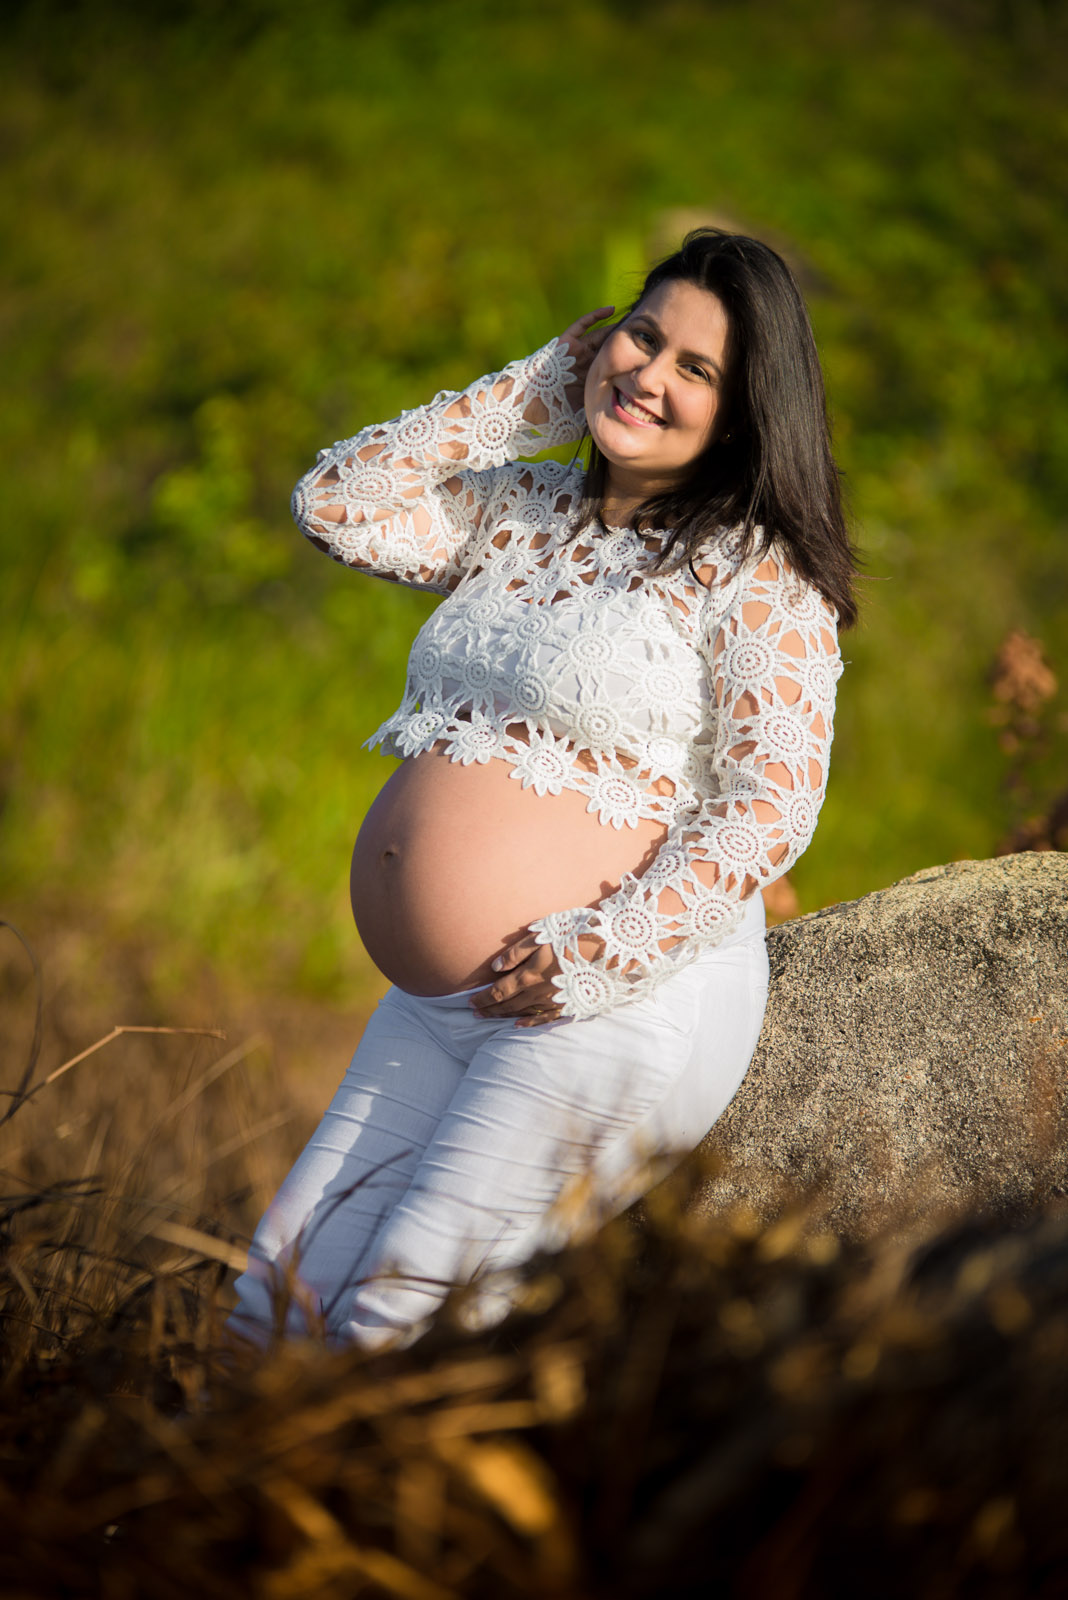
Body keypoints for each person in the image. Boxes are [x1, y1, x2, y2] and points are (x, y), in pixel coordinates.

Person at [228, 228, 856, 1351]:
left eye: (696, 371)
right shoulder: (519, 514)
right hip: (443, 1004)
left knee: (400, 1319)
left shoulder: (757, 572)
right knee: (271, 1308)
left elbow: (770, 803)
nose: (650, 376)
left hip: (610, 998)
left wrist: (599, 948)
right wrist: (529, 394)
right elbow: (335, 499)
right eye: (641, 337)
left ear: (746, 413)